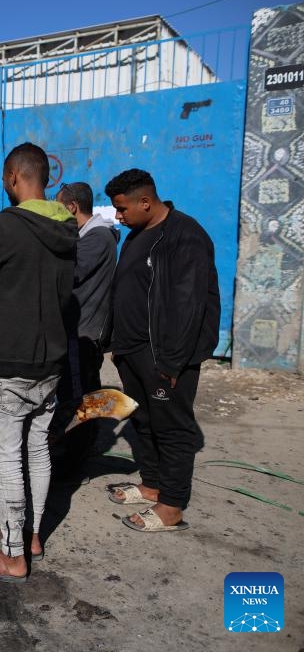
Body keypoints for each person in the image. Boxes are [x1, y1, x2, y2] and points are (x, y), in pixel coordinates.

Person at [0, 142, 78, 582]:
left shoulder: (6, 226)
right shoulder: (67, 226)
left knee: (7, 459)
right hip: (52, 361)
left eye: (4, 177)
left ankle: (12, 556)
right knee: (39, 448)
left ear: (13, 177)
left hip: (11, 362)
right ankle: (33, 537)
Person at [104, 169, 219, 532]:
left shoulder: (185, 236)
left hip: (165, 356)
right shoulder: (137, 236)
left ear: (145, 201)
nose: (118, 216)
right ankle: (152, 486)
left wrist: (171, 362)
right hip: (133, 351)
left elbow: (189, 304)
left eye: (122, 208)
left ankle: (171, 507)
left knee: (173, 428)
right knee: (144, 420)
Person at [56, 181, 119, 395]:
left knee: (80, 397)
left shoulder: (98, 237)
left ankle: (86, 430)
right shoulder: (86, 235)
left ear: (72, 207)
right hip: (78, 330)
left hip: (84, 332)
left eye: (58, 207)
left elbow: (70, 273)